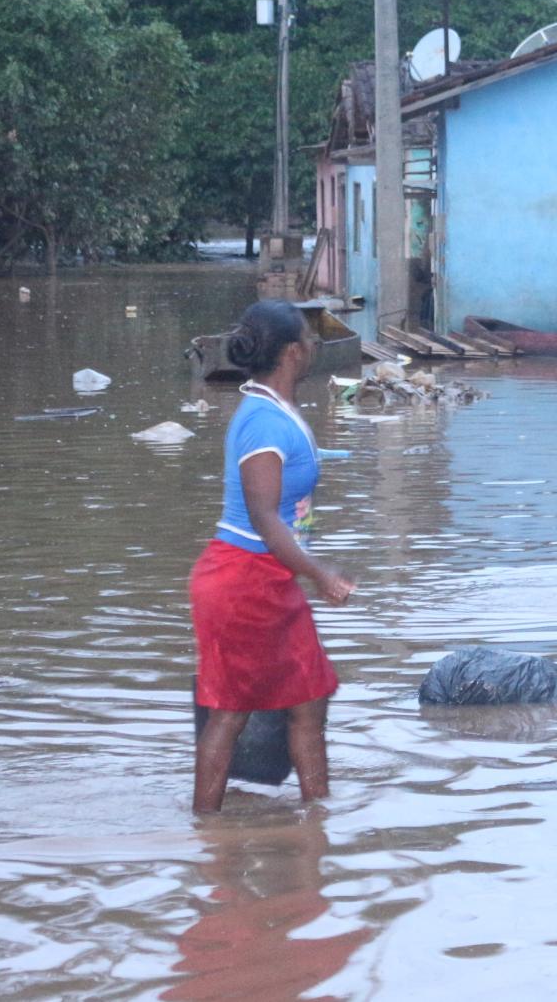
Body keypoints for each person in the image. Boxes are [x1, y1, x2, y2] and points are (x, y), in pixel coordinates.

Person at [190, 300, 356, 814]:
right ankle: (206, 830)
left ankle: (315, 818)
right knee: (230, 712)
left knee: (309, 696)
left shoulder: (276, 410)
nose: (314, 346)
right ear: (292, 353)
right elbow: (264, 517)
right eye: (308, 338)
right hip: (243, 580)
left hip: (266, 579)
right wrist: (320, 572)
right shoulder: (263, 422)